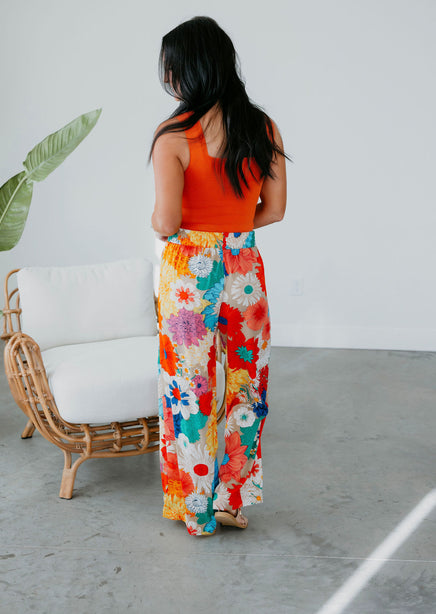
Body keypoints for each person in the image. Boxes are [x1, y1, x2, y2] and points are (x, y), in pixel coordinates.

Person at [148, 15, 290, 536]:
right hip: (244, 268)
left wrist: (189, 232)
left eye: (172, 68)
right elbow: (274, 210)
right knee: (245, 385)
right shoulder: (262, 128)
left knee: (190, 388)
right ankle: (232, 500)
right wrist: (232, 231)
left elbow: (166, 222)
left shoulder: (173, 136)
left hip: (190, 271)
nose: (169, 79)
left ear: (189, 70)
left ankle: (196, 510)